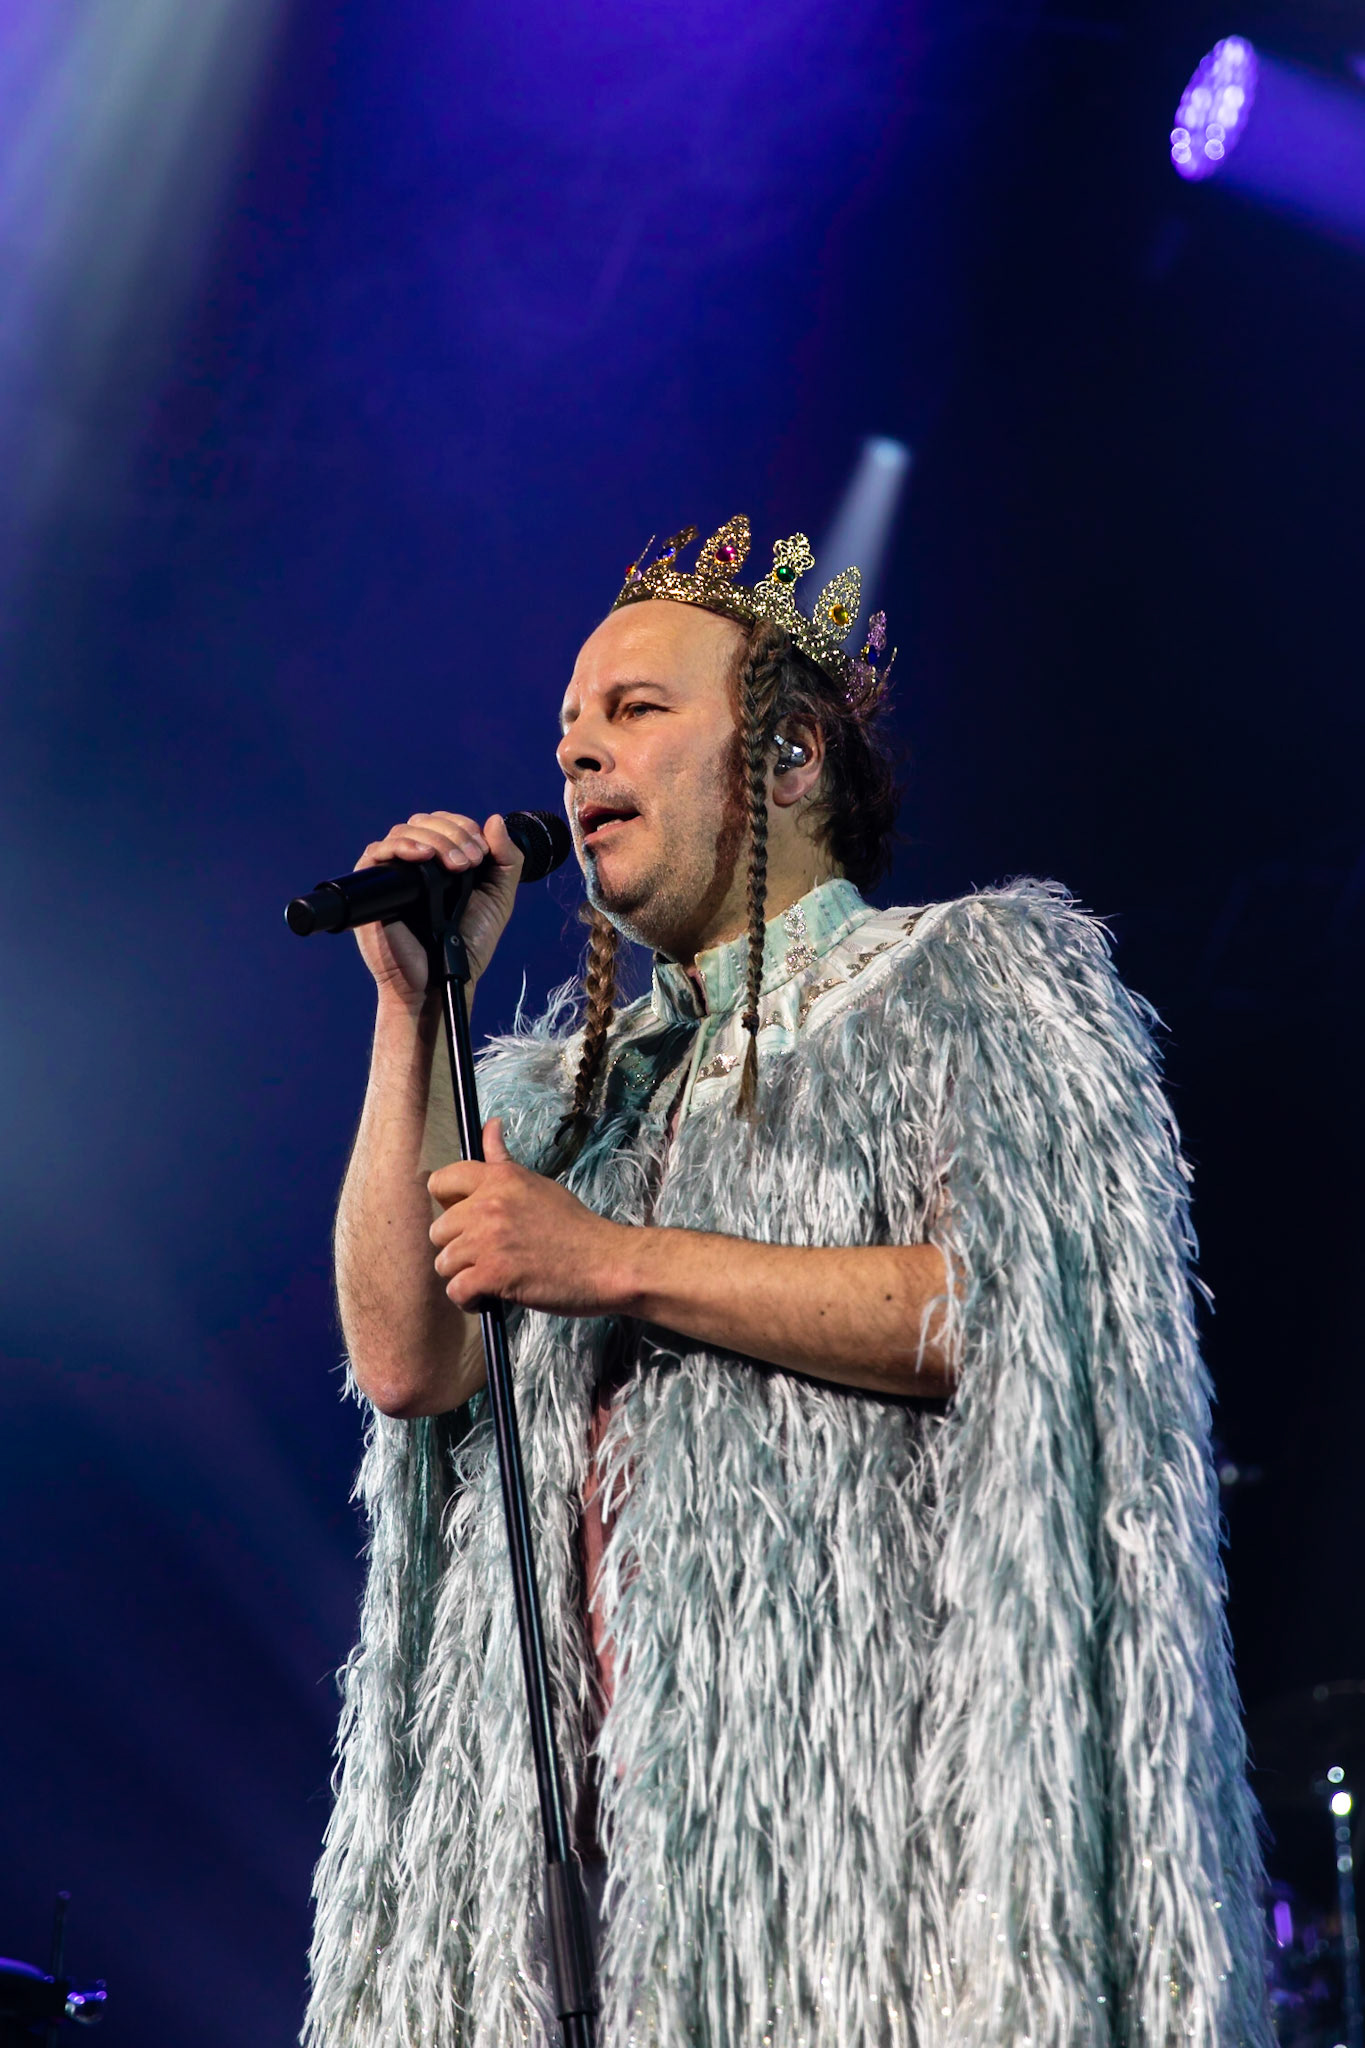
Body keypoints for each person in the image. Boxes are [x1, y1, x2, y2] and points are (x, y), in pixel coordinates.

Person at [305, 518, 1271, 2048]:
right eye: (566, 734)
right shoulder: (560, 1096)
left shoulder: (967, 983)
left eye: (635, 712)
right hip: (584, 1888)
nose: (576, 761)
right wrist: (417, 1014)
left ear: (789, 759)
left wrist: (609, 1259)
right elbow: (407, 1363)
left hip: (861, 1861)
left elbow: (1025, 1317)